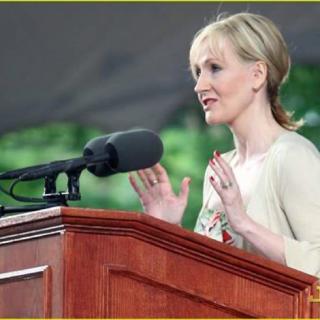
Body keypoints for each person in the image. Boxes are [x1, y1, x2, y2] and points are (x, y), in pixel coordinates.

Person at [129, 12, 320, 278]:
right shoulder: (220, 169)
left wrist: (243, 223)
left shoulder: (291, 156)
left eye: (214, 68)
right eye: (197, 72)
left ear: (257, 74)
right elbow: (208, 279)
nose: (199, 86)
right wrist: (169, 229)